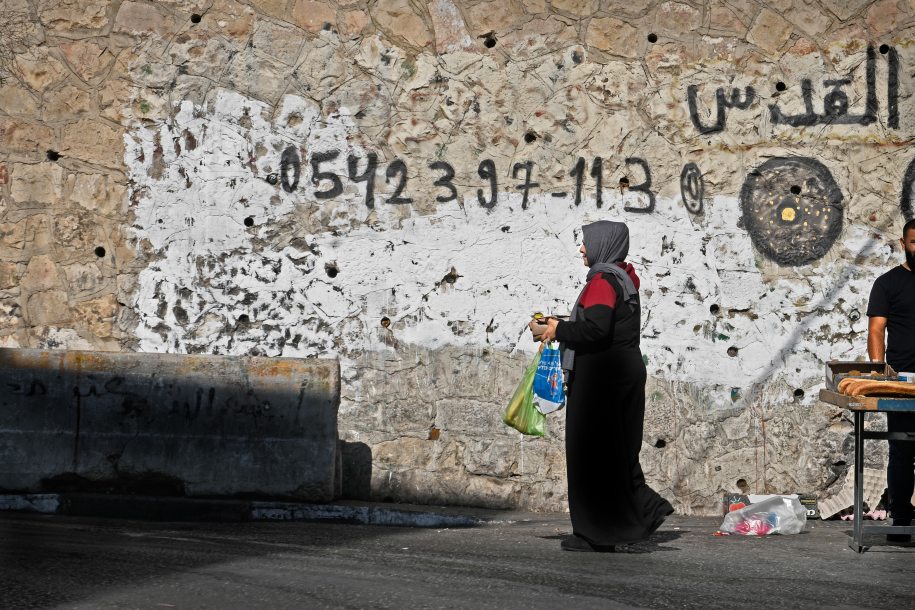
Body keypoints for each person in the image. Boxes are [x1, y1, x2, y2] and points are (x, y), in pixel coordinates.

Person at [530, 220, 673, 552]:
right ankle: (644, 512)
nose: (582, 248)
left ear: (603, 245)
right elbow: (603, 324)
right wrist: (564, 324)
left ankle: (603, 533)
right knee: (615, 455)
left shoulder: (601, 281)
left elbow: (595, 331)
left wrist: (556, 329)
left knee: (590, 459)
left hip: (601, 381)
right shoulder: (623, 276)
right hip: (621, 373)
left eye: (585, 243)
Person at [867, 217, 915, 543]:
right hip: (902, 381)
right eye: (914, 241)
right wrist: (878, 370)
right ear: (903, 243)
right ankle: (900, 520)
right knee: (901, 450)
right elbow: (876, 330)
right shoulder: (887, 283)